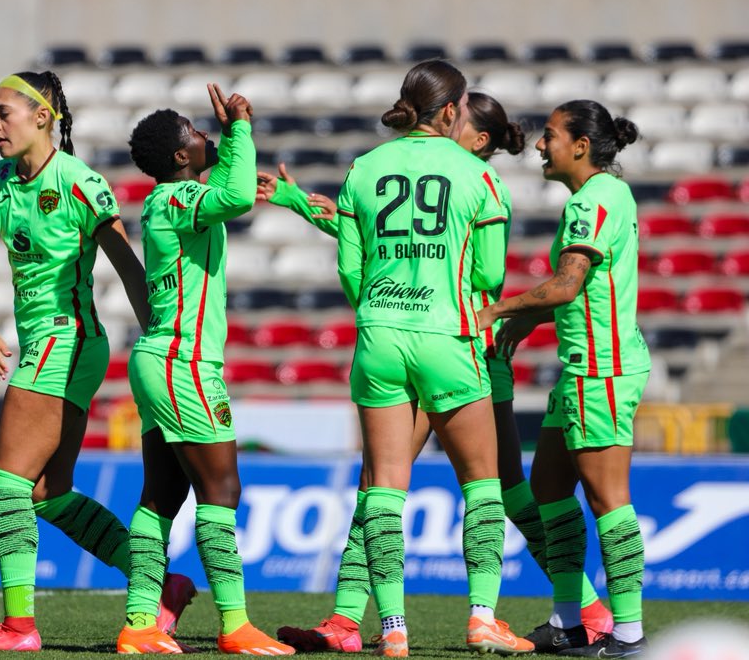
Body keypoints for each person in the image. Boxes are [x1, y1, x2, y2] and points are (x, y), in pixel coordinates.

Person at [262, 92, 589, 655]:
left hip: (465, 351)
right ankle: (345, 618)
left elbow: (366, 236)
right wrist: (299, 202)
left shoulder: (439, 174)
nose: (452, 121)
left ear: (478, 138)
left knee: (504, 494)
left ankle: (585, 604)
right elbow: (389, 232)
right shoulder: (471, 185)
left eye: (462, 119)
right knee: (383, 490)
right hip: (455, 346)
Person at [0, 71, 194, 651]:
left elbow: (129, 268)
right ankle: (162, 585)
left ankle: (19, 628)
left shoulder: (82, 183)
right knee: (47, 494)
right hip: (42, 343)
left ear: (43, 117)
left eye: (2, 113)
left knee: (5, 480)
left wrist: (164, 338)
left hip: (69, 340)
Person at [114, 84, 294, 656]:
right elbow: (239, 197)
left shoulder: (176, 198)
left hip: (163, 360)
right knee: (221, 489)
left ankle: (141, 624)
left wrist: (230, 141)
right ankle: (235, 624)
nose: (206, 134)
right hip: (182, 363)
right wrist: (241, 127)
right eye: (196, 132)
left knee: (160, 499)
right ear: (179, 157)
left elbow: (229, 186)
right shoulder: (173, 201)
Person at [477, 100, 649, 657]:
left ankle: (627, 635)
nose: (539, 145)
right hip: (585, 369)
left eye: (550, 135)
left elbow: (569, 283)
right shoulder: (605, 195)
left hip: (602, 371)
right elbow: (585, 289)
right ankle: (568, 622)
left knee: (608, 500)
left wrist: (498, 311)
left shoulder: (593, 200)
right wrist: (530, 317)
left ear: (580, 145)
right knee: (550, 488)